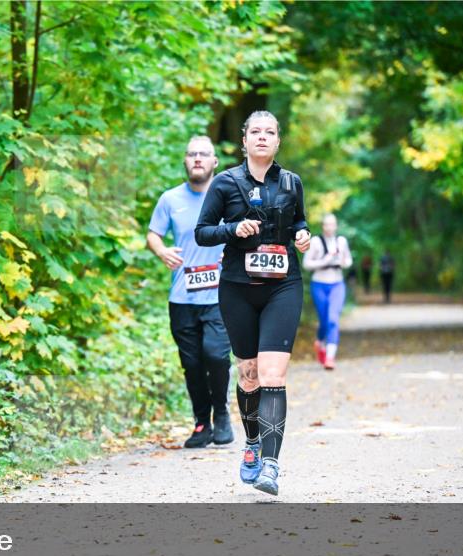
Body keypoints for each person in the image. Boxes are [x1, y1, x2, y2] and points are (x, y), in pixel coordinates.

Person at [194, 111, 311, 496]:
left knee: (274, 374)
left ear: (279, 141)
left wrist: (303, 235)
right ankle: (253, 444)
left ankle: (272, 468)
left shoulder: (292, 182)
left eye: (270, 132)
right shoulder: (225, 183)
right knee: (249, 374)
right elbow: (203, 232)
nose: (263, 137)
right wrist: (233, 228)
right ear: (244, 141)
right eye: (255, 132)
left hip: (283, 286)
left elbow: (299, 222)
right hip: (238, 287)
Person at [147, 136, 233, 448]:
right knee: (192, 363)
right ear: (185, 161)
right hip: (182, 298)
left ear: (214, 162)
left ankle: (222, 413)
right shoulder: (170, 199)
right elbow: (153, 234)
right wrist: (161, 251)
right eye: (191, 154)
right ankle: (202, 423)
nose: (197, 159)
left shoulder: (228, 197)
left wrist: (234, 250)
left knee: (216, 354)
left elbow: (247, 230)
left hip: (219, 296)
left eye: (204, 154)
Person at [303, 213, 352, 370]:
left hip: (337, 284)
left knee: (332, 319)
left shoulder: (341, 241)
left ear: (336, 225)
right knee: (324, 320)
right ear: (322, 226)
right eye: (326, 224)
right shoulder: (316, 242)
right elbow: (306, 264)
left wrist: (343, 262)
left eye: (332, 224)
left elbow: (348, 261)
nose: (329, 227)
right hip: (319, 284)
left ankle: (330, 357)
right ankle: (320, 341)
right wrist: (325, 260)